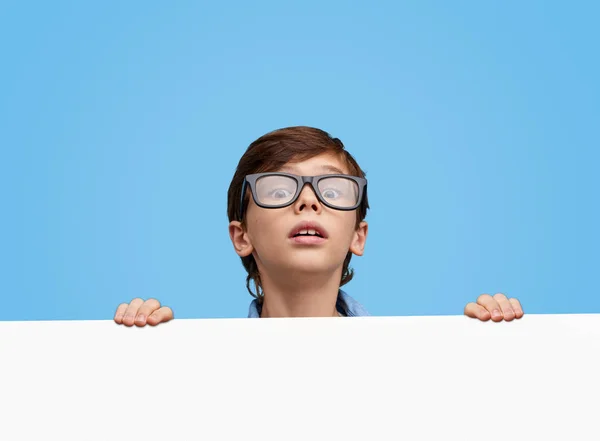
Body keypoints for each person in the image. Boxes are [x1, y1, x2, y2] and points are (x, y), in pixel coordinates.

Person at [113, 126, 524, 326]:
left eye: (333, 188)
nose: (308, 200)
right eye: (278, 189)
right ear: (242, 236)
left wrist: (493, 344)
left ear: (358, 236)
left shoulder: (416, 363)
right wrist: (139, 355)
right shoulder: (194, 367)